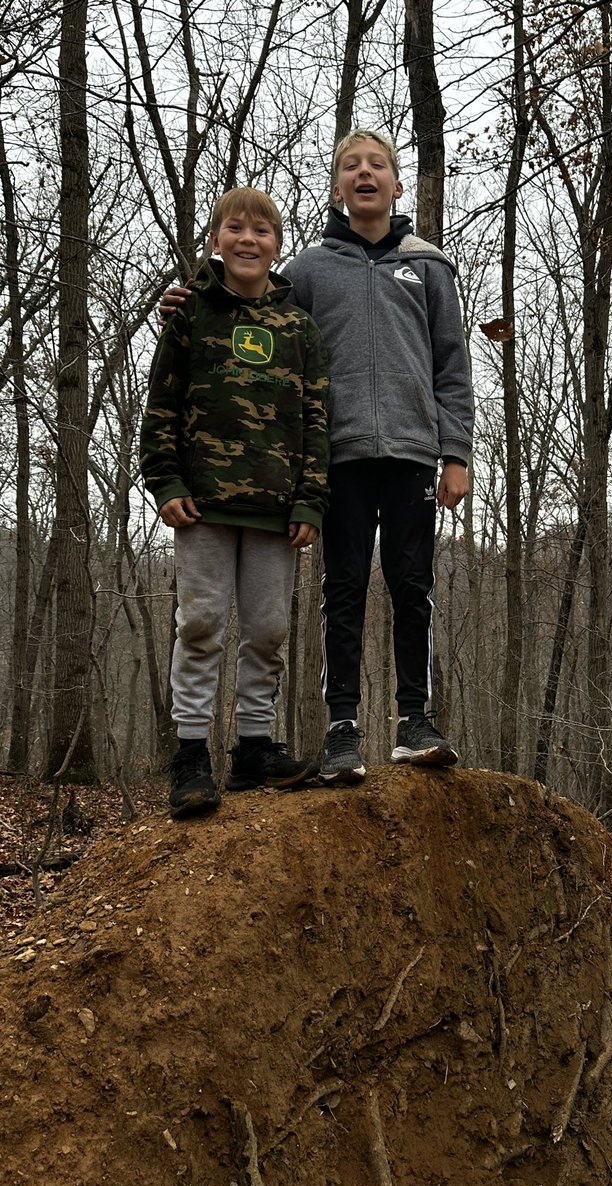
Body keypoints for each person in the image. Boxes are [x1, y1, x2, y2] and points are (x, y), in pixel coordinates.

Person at [161, 131, 474, 785]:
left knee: (414, 586)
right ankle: (341, 728)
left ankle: (415, 720)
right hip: (339, 458)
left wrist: (456, 452)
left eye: (378, 166)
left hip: (417, 452)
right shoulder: (306, 271)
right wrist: (188, 295)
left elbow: (452, 364)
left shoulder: (430, 266)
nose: (365, 173)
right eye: (351, 166)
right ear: (337, 188)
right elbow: (251, 315)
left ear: (395, 184)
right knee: (344, 589)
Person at [141, 187, 330, 819]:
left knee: (269, 629)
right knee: (199, 624)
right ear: (217, 240)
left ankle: (254, 750)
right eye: (235, 228)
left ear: (278, 245)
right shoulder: (189, 312)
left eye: (262, 231)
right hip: (203, 507)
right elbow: (161, 404)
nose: (248, 239)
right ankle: (191, 755)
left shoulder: (298, 325)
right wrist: (165, 484)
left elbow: (315, 417)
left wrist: (310, 501)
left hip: (277, 511)